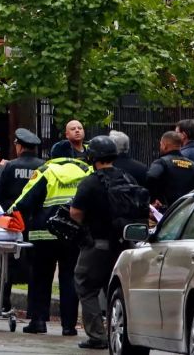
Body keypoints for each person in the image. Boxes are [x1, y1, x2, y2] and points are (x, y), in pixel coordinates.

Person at [10, 151, 92, 336]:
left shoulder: (46, 171)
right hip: (73, 234)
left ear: (53, 156)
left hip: (43, 235)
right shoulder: (86, 172)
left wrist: (9, 212)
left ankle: (38, 321)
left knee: (40, 277)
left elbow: (24, 201)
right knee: (70, 278)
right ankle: (69, 326)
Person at [69, 136, 124, 349]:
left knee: (86, 285)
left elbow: (75, 212)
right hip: (123, 246)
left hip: (96, 245)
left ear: (93, 157)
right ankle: (118, 332)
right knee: (117, 290)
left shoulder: (91, 182)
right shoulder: (127, 178)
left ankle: (98, 336)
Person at [0, 128, 44, 313]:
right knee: (34, 265)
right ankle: (34, 309)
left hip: (12, 222)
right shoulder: (43, 166)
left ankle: (3, 300)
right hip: (35, 222)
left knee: (4, 261)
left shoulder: (10, 167)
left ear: (20, 146)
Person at [146, 131, 194, 211]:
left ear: (164, 145)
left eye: (160, 144)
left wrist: (154, 198)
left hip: (167, 211)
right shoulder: (193, 165)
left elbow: (151, 177)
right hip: (187, 210)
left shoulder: (162, 162)